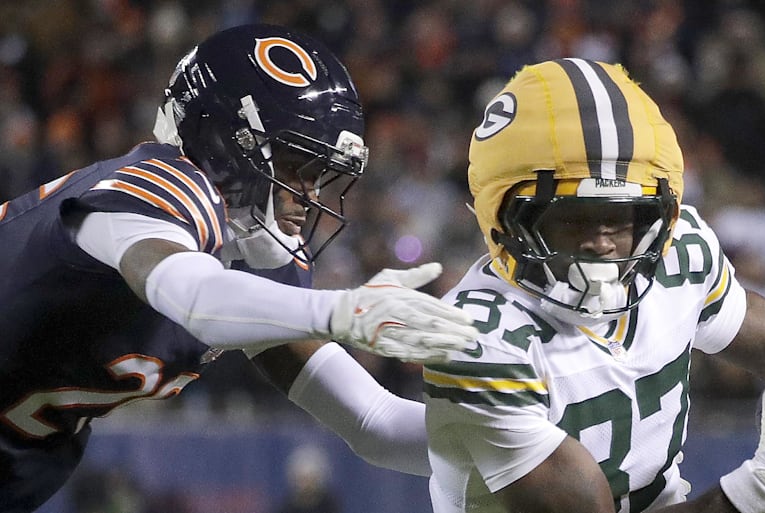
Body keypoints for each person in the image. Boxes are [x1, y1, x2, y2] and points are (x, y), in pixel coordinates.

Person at [0, 24, 478, 512]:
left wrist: (512, 441)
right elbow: (194, 297)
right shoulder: (156, 185)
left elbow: (373, 421)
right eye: (297, 164)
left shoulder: (256, 256)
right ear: (226, 142)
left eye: (320, 173)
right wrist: (344, 311)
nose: (311, 194)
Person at [422, 59, 765, 513]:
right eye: (573, 217)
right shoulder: (477, 340)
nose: (602, 243)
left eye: (621, 216)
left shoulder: (678, 252)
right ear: (504, 217)